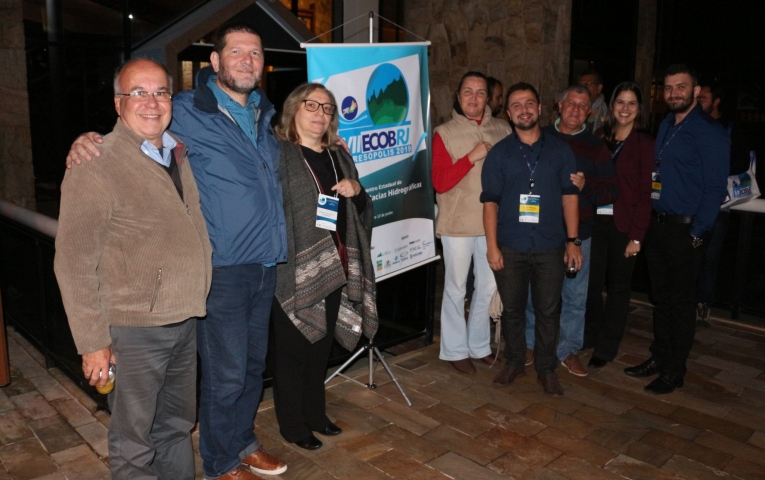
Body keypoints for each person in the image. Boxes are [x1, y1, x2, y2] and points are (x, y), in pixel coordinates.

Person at [65, 23, 288, 480]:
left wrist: (331, 144)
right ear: (215, 61)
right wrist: (84, 140)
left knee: (239, 376)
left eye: (255, 53)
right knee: (214, 381)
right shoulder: (187, 110)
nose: (247, 60)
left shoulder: (257, 117)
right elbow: (74, 257)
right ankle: (223, 459)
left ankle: (240, 442)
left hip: (248, 271)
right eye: (236, 52)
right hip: (210, 276)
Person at [54, 58, 212, 479]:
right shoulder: (96, 163)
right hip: (134, 329)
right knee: (133, 443)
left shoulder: (176, 152)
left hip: (184, 317)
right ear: (117, 103)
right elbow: (73, 262)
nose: (151, 102)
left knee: (177, 427)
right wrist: (93, 343)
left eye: (160, 92)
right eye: (138, 92)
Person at [271, 83, 377, 450]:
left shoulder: (339, 156)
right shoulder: (278, 154)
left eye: (327, 108)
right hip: (293, 270)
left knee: (320, 349)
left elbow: (363, 212)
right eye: (311, 105)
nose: (320, 113)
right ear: (294, 110)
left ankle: (316, 414)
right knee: (292, 353)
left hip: (338, 267)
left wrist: (357, 192)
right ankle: (292, 424)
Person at [624, 64, 729, 395]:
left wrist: (697, 234)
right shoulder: (667, 124)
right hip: (659, 227)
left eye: (681, 87)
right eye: (668, 88)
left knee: (681, 304)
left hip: (686, 230)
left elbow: (715, 189)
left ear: (695, 91)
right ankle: (659, 357)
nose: (673, 93)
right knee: (662, 299)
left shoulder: (709, 132)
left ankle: (674, 370)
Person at [482, 82, 582, 396]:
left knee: (548, 311)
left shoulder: (560, 151)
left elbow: (570, 197)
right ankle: (514, 361)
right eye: (516, 105)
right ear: (508, 113)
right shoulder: (499, 154)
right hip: (511, 245)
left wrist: (573, 241)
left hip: (551, 246)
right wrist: (492, 247)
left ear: (539, 108)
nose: (523, 110)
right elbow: (490, 203)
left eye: (529, 103)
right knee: (512, 310)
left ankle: (546, 368)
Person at [525, 85, 618, 377]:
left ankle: (567, 349)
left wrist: (586, 187)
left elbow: (612, 191)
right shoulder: (538, 136)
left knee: (575, 295)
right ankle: (530, 343)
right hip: (540, 231)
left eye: (582, 106)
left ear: (589, 112)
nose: (576, 110)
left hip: (580, 235)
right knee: (534, 292)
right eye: (571, 103)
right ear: (559, 105)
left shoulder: (596, 147)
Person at [432, 71, 513, 375]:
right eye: (468, 91)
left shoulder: (503, 129)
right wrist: (470, 157)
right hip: (458, 224)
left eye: (480, 93)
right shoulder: (444, 132)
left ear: (488, 98)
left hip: (493, 223)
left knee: (488, 285)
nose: (474, 98)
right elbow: (440, 182)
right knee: (455, 287)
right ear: (458, 95)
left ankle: (479, 345)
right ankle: (454, 349)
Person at [584, 82, 654, 368]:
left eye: (631, 103)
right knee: (590, 285)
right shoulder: (599, 136)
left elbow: (647, 194)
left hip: (625, 226)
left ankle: (607, 346)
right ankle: (589, 335)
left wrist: (637, 237)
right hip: (595, 221)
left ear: (639, 108)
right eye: (620, 102)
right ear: (612, 106)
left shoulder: (645, 144)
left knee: (618, 289)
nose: (625, 108)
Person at [694, 83, 752, 326]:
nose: (699, 102)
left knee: (710, 258)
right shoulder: (692, 124)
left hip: (719, 205)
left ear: (716, 101)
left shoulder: (729, 128)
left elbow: (741, 162)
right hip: (692, 202)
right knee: (687, 256)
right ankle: (685, 303)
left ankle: (703, 305)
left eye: (703, 98)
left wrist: (714, 166)